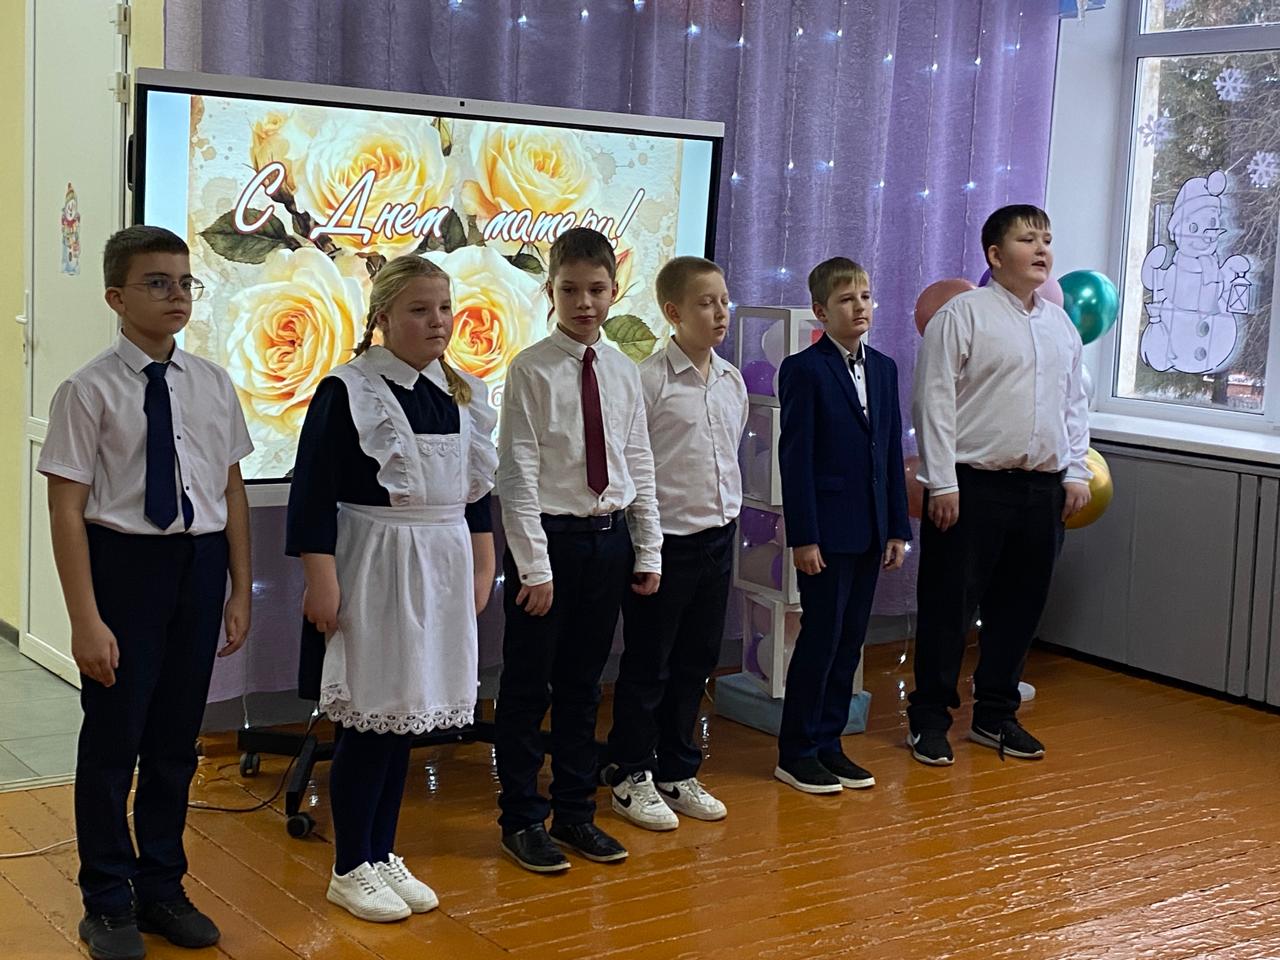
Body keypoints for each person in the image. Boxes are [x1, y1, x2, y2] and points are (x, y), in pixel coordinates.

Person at [40, 225, 252, 960]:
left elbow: (230, 489)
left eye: (186, 282)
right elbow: (67, 510)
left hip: (198, 565)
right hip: (125, 567)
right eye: (157, 283)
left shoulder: (212, 383)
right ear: (116, 297)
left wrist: (239, 589)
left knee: (174, 742)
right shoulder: (87, 390)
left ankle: (162, 886)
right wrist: (85, 619)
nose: (176, 296)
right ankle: (106, 899)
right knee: (114, 740)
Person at [287, 255, 497, 921]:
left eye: (444, 308)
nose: (437, 321)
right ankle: (350, 864)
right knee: (370, 717)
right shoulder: (349, 390)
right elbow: (311, 494)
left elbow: (475, 494)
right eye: (419, 309)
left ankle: (381, 852)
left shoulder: (460, 392)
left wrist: (483, 566)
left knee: (407, 716)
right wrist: (321, 581)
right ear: (382, 316)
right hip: (376, 564)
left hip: (441, 565)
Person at [494, 227, 663, 872]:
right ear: (551, 292)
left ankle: (574, 812)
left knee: (584, 687)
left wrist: (647, 549)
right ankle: (521, 818)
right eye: (570, 290)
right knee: (527, 687)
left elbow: (637, 461)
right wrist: (533, 568)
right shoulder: (530, 368)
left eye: (596, 290)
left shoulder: (622, 370)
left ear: (615, 290)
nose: (584, 303)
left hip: (607, 541)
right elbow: (518, 474)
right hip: (549, 544)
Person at [908, 204, 1090, 766]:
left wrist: (1076, 471)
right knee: (949, 607)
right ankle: (929, 719)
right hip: (971, 486)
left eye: (1046, 239)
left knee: (1020, 608)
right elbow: (934, 400)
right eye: (1027, 240)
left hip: (1042, 490)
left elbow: (1074, 404)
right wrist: (941, 482)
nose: (1042, 250)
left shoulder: (1059, 324)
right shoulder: (962, 315)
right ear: (994, 254)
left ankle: (995, 715)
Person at [604, 256, 748, 830]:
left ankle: (676, 767)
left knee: (696, 661)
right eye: (706, 303)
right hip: (664, 544)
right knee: (650, 664)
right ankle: (630, 772)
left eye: (724, 301)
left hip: (718, 539)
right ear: (673, 312)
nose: (720, 313)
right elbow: (633, 467)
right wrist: (646, 548)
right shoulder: (649, 381)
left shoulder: (731, 380)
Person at [774, 256, 910, 794]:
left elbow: (890, 451)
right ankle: (797, 751)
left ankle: (830, 742)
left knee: (850, 642)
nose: (860, 307)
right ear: (820, 311)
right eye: (847, 299)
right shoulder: (804, 370)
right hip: (827, 533)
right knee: (821, 639)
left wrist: (896, 527)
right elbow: (796, 460)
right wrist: (804, 536)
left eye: (866, 297)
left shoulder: (885, 368)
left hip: (871, 528)